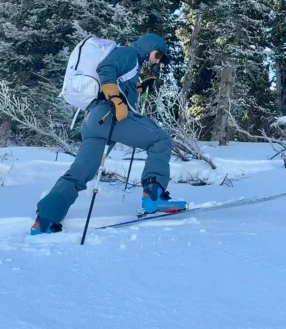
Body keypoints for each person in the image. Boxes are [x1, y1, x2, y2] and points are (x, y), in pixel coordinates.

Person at [30, 32, 187, 235]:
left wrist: (139, 87)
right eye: (159, 56)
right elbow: (106, 69)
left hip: (94, 120)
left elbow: (121, 84)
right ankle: (154, 198)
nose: (157, 61)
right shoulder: (129, 53)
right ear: (150, 47)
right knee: (160, 140)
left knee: (81, 172)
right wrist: (116, 100)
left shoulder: (132, 64)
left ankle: (45, 220)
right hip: (110, 115)